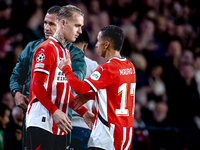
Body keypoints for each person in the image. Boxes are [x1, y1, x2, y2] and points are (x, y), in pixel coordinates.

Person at [9, 5, 87, 150]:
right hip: (42, 118)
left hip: (60, 120)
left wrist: (84, 112)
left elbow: (67, 89)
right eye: (45, 22)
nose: (46, 27)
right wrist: (17, 92)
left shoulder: (69, 54)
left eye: (51, 23)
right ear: (64, 24)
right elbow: (34, 84)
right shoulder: (42, 48)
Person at [59, 25, 136, 150]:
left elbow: (79, 87)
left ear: (106, 44)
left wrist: (66, 69)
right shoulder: (129, 67)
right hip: (124, 136)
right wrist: (89, 96)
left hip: (105, 137)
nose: (95, 45)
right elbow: (114, 93)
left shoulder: (106, 68)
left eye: (98, 41)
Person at [70, 28, 99, 150]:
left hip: (57, 124)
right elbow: (101, 97)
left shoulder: (56, 64)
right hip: (83, 126)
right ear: (85, 46)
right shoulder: (93, 66)